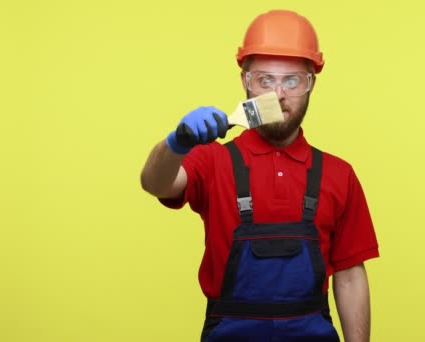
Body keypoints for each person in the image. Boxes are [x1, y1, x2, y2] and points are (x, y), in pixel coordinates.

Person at [140, 9, 379, 342]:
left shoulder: (339, 175)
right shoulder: (213, 160)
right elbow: (155, 183)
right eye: (265, 80)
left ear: (311, 83)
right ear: (245, 82)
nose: (277, 94)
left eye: (292, 80)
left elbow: (351, 277)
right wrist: (176, 143)